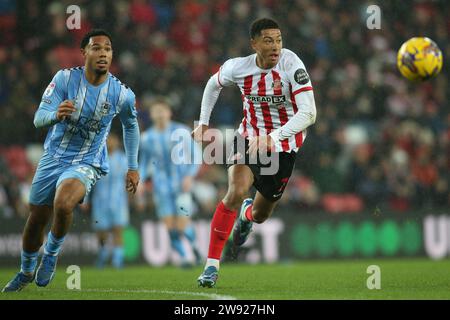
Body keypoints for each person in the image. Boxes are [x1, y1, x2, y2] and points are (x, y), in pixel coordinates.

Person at [2, 29, 140, 292]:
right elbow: (38, 117)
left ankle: (51, 254)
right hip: (53, 157)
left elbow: (131, 126)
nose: (103, 53)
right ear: (84, 52)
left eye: (108, 49)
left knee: (63, 203)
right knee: (37, 217)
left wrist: (133, 166)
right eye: (96, 48)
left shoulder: (121, 94)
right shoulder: (64, 79)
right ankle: (25, 270)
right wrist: (55, 114)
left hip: (87, 161)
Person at [192, 18, 317, 287]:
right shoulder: (238, 67)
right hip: (248, 138)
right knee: (236, 191)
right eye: (269, 40)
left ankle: (247, 216)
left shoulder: (292, 65)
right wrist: (203, 123)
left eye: (279, 40)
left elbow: (309, 113)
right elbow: (213, 85)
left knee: (261, 214)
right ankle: (211, 266)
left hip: (283, 147)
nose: (275, 46)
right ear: (254, 43)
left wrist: (273, 138)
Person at [139, 97, 202, 267]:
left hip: (182, 185)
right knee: (170, 227)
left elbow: (196, 155)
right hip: (161, 188)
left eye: (162, 110)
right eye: (156, 111)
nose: (159, 114)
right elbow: (144, 163)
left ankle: (195, 248)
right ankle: (185, 258)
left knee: (182, 225)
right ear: (151, 115)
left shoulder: (182, 131)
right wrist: (141, 181)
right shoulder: (146, 138)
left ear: (169, 113)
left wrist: (190, 176)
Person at [87, 133, 130, 269]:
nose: (110, 142)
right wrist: (86, 198)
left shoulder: (123, 159)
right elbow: (89, 179)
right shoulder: (97, 158)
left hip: (119, 201)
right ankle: (103, 256)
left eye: (112, 139)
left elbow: (129, 180)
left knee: (118, 231)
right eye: (107, 139)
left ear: (117, 141)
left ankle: (118, 261)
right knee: (102, 233)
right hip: (100, 201)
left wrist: (134, 196)